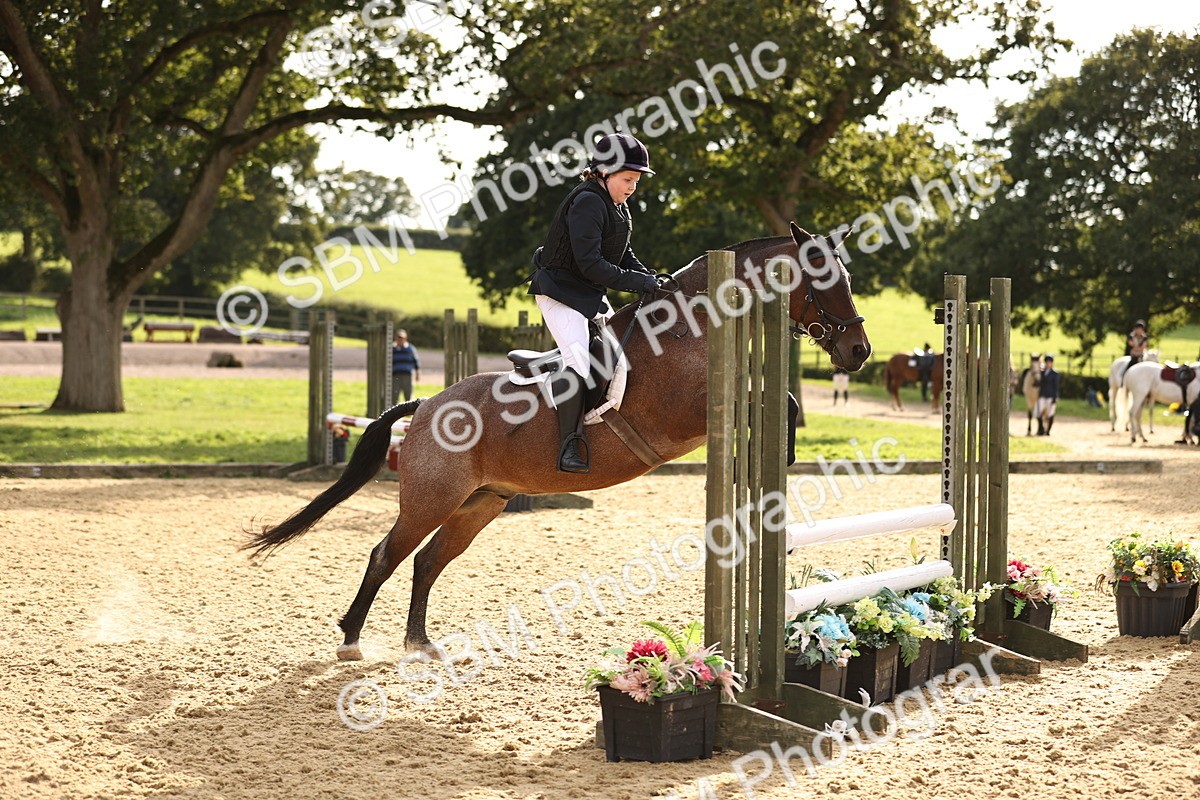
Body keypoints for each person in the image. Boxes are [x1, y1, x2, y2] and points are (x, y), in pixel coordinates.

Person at [527, 133, 662, 474]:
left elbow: (622, 253)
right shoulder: (588, 201)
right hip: (560, 293)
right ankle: (569, 445)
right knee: (580, 365)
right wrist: (640, 283)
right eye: (628, 179)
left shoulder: (617, 204)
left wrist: (654, 279)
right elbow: (593, 265)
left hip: (587, 295)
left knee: (617, 358)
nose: (632, 186)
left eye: (636, 181)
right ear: (604, 172)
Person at [391, 329, 420, 403]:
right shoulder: (392, 349)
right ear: (396, 338)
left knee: (408, 396)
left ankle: (409, 414)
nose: (400, 340)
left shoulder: (410, 349)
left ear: (405, 338)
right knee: (394, 396)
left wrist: (417, 374)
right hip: (395, 376)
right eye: (399, 338)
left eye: (402, 338)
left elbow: (416, 361)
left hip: (407, 376)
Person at [1035, 354, 1061, 436]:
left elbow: (1056, 387)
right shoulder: (1042, 373)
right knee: (1038, 412)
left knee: (1050, 414)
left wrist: (1055, 397)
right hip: (1042, 395)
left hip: (1050, 396)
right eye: (1047, 362)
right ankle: (1041, 428)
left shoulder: (1054, 374)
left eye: (1050, 362)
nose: (1048, 364)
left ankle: (1048, 431)